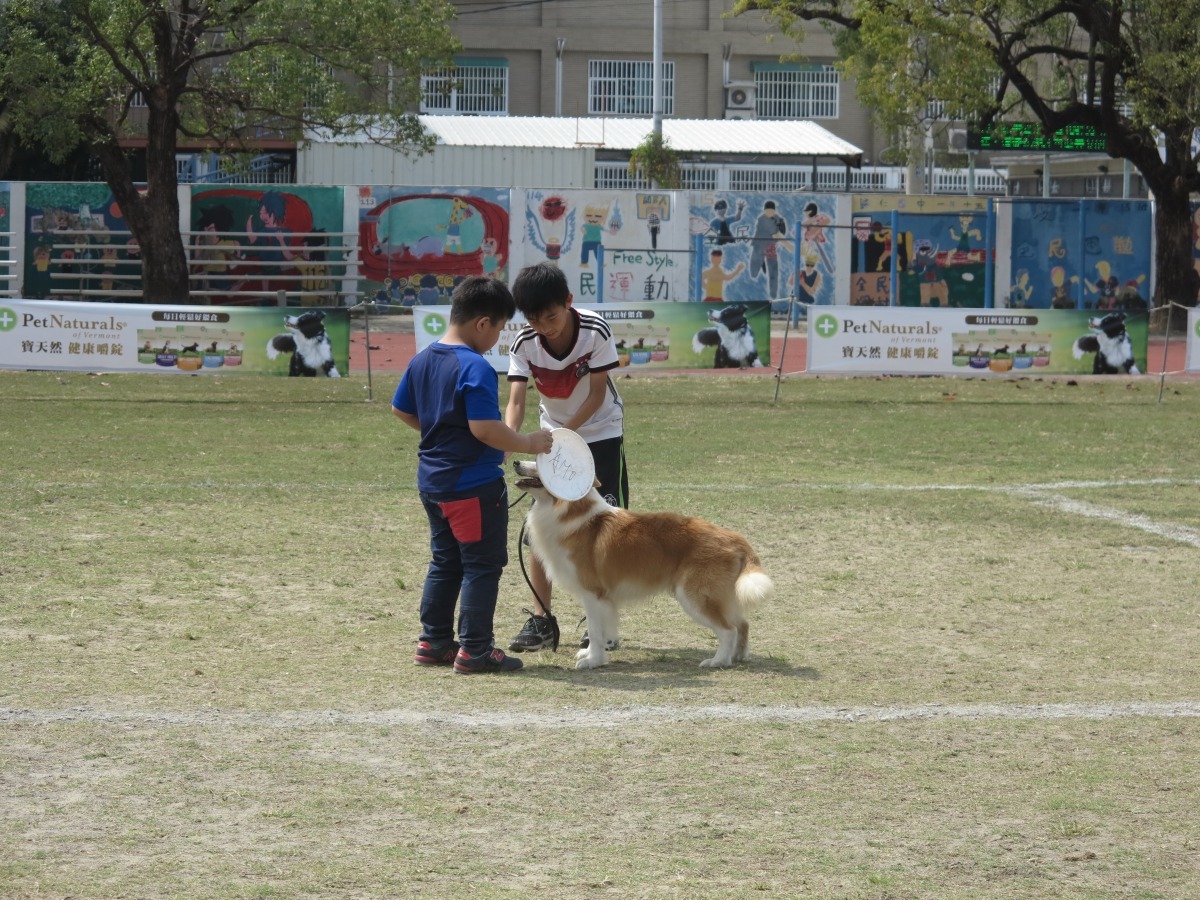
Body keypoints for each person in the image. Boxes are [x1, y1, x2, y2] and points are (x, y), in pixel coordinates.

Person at [392, 276, 554, 674]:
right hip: (472, 486)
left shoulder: (422, 358)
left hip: (433, 482)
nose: (497, 338)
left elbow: (401, 409)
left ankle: (433, 642)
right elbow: (484, 428)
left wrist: (439, 432)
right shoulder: (475, 366)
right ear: (483, 323)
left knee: (445, 561)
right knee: (481, 565)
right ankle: (476, 649)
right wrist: (528, 442)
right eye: (498, 328)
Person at [504, 262, 629, 653]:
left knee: (607, 531)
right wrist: (512, 439)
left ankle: (600, 623)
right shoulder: (524, 341)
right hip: (550, 438)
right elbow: (517, 399)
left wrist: (564, 436)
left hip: (599, 432)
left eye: (552, 317)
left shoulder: (595, 330)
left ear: (569, 302)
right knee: (542, 529)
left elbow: (595, 395)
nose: (546, 327)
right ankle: (542, 621)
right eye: (536, 320)